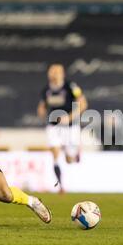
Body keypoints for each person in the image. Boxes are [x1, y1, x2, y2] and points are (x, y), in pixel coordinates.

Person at [37, 64, 88, 194]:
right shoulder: (46, 89)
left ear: (62, 73)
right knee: (54, 152)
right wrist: (41, 111)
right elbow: (43, 105)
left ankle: (74, 153)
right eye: (51, 71)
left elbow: (83, 104)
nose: (53, 74)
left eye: (56, 71)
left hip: (70, 127)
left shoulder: (70, 86)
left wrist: (70, 118)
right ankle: (61, 186)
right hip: (54, 126)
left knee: (69, 160)